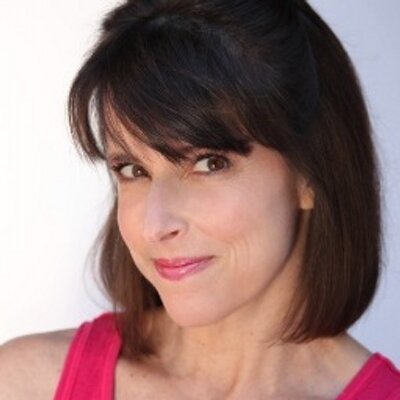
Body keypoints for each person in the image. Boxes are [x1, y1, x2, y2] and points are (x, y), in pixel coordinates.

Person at [1, 0, 400, 398]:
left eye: (209, 164)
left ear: (309, 174)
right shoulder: (24, 384)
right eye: (133, 170)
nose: (155, 226)